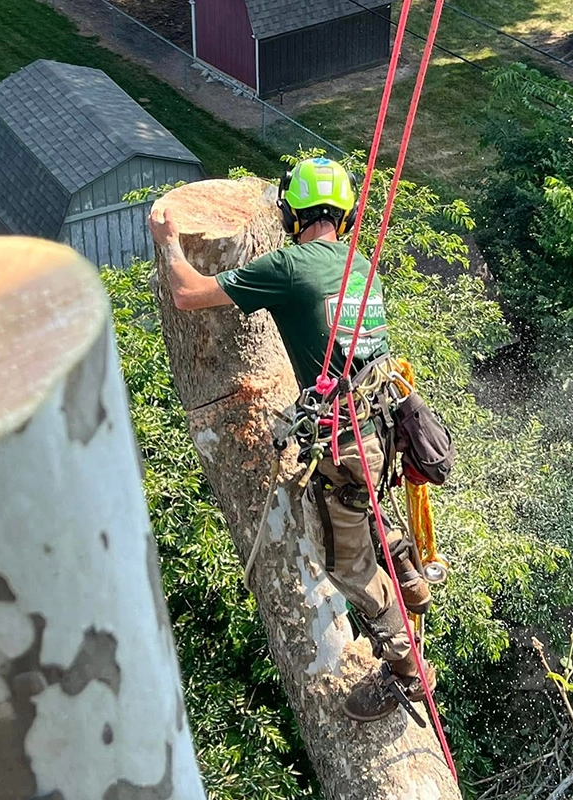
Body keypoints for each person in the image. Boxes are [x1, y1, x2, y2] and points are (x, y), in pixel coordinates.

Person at [148, 157, 434, 722]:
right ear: (344, 214)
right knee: (366, 512)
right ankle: (408, 574)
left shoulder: (291, 266)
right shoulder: (362, 267)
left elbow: (187, 293)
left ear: (291, 211)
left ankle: (407, 670)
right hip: (381, 427)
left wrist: (170, 244)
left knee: (341, 559)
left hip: (349, 442)